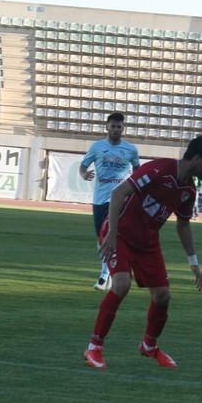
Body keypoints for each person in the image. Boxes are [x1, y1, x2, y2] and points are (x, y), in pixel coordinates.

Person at [83, 135, 202, 370]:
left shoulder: (188, 189)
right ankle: (94, 348)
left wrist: (194, 264)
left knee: (163, 296)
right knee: (120, 284)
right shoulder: (160, 169)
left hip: (147, 241)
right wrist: (113, 234)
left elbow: (183, 224)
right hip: (121, 234)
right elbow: (119, 194)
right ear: (197, 159)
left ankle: (149, 346)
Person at [80, 112, 140, 290]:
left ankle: (106, 275)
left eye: (119, 126)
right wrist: (84, 175)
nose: (115, 129)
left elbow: (138, 170)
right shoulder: (97, 147)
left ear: (123, 128)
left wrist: (134, 187)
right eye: (113, 126)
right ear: (107, 127)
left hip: (121, 199)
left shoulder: (130, 150)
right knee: (102, 237)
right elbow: (83, 166)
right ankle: (112, 271)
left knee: (119, 236)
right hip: (100, 199)